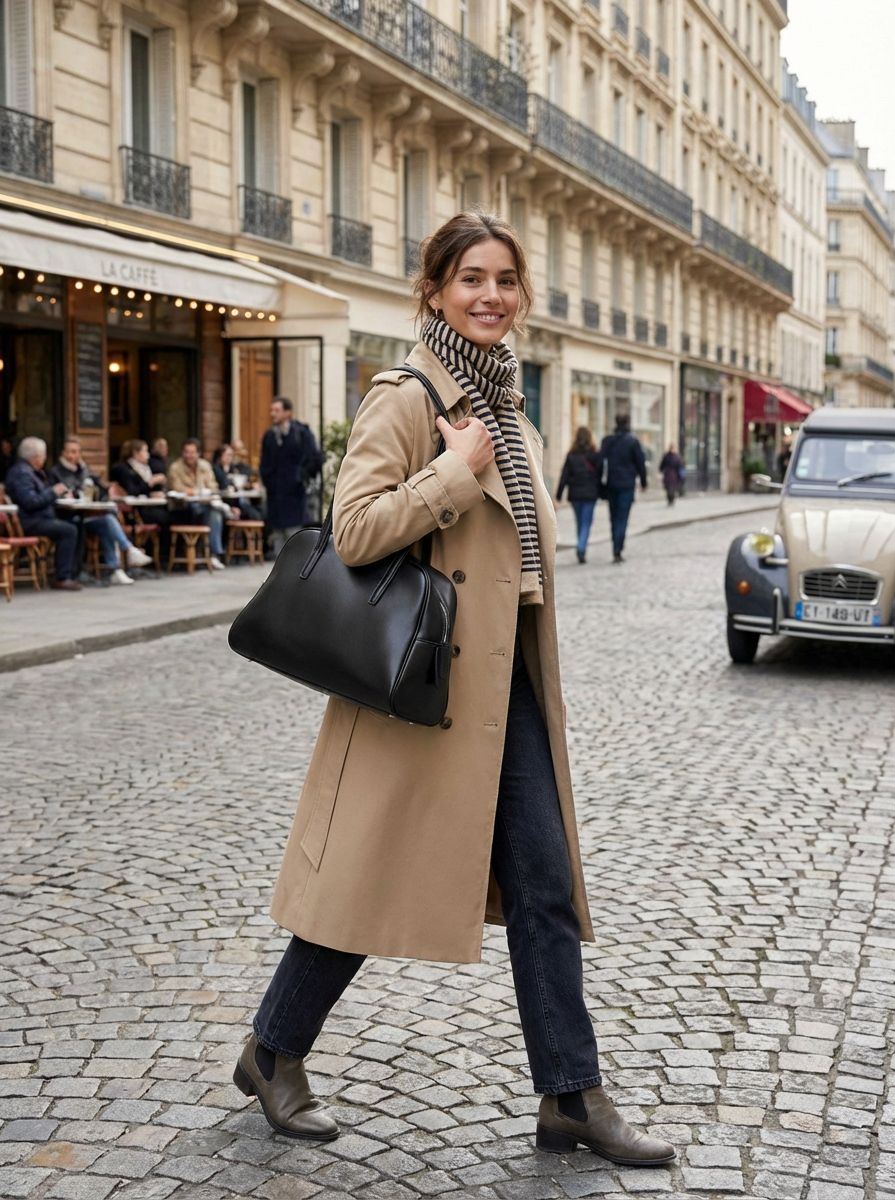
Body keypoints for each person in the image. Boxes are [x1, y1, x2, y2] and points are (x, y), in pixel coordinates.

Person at [233, 211, 675, 1170]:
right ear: (432, 291)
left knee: (546, 886)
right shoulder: (406, 396)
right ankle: (272, 1050)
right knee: (365, 884)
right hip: (416, 688)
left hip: (500, 689)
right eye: (470, 278)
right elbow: (351, 533)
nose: (491, 295)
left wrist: (481, 458)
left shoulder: (510, 407)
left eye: (506, 280)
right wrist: (451, 471)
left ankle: (570, 1094)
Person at [49, 438, 151, 585]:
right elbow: (58, 494)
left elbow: (101, 489)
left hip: (86, 514)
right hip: (67, 516)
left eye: (77, 452)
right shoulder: (56, 472)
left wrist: (99, 487)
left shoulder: (83, 470)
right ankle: (127, 551)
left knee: (107, 521)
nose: (75, 455)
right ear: (63, 453)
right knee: (83, 524)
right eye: (71, 451)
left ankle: (115, 568)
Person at [5, 437, 81, 590]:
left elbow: (41, 496)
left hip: (39, 517)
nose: (45, 459)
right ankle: (62, 577)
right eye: (43, 455)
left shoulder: (32, 472)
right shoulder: (22, 474)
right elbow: (30, 502)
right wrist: (53, 492)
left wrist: (59, 495)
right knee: (69, 530)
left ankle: (74, 572)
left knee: (76, 521)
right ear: (36, 456)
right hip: (29, 520)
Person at [260, 397, 323, 556]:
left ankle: (295, 578)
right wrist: (268, 481)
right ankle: (280, 578)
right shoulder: (269, 436)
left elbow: (315, 459)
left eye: (277, 410)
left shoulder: (302, 433)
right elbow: (264, 463)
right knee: (278, 540)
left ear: (288, 413)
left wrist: (300, 478)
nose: (272, 414)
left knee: (295, 538)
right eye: (271, 410)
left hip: (295, 495)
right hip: (275, 496)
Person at [167, 438, 237, 570]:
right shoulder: (175, 468)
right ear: (182, 453)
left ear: (198, 453)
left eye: (192, 452)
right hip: (183, 507)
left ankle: (214, 555)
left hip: (205, 504)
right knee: (214, 510)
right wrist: (196, 491)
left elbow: (213, 486)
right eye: (187, 452)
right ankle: (214, 554)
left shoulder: (205, 466)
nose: (189, 455)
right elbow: (177, 488)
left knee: (214, 512)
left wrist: (206, 491)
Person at [600, 414, 647, 564]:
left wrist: (600, 483)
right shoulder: (632, 442)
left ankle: (616, 546)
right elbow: (641, 463)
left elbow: (600, 462)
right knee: (622, 518)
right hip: (626, 485)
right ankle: (617, 549)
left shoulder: (608, 441)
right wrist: (644, 482)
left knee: (614, 518)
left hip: (612, 484)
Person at [556, 426, 602, 564]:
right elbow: (600, 475)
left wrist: (558, 495)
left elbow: (564, 476)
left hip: (575, 494)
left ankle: (580, 546)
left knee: (580, 522)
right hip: (590, 494)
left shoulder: (571, 455)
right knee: (586, 523)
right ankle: (581, 548)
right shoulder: (594, 454)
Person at [212, 445, 263, 521]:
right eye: (228, 455)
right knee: (253, 513)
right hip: (224, 502)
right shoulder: (215, 469)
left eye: (231, 455)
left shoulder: (233, 468)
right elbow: (223, 485)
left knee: (259, 510)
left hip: (237, 501)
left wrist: (251, 486)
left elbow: (242, 482)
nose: (230, 458)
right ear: (220, 456)